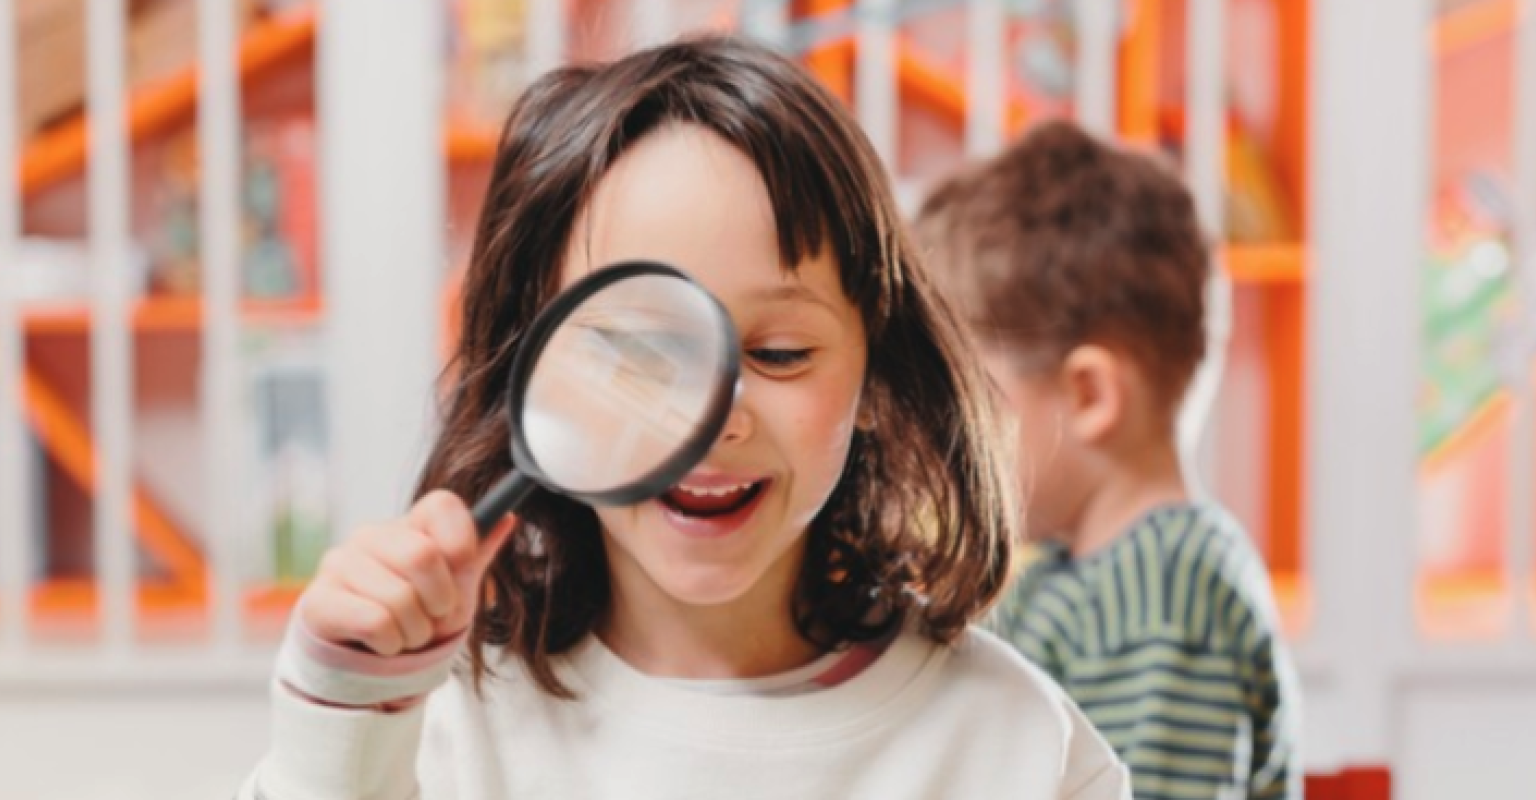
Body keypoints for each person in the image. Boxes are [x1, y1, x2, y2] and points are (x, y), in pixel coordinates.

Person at [237, 36, 1128, 799]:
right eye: (637, 355)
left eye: (781, 354)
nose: (708, 420)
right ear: (531, 370)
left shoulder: (1022, 750)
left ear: (878, 386)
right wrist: (343, 717)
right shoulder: (439, 723)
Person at [914, 120, 1301, 800]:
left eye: (968, 401)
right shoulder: (1078, 574)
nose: (947, 440)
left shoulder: (1163, 596)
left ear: (1090, 393)